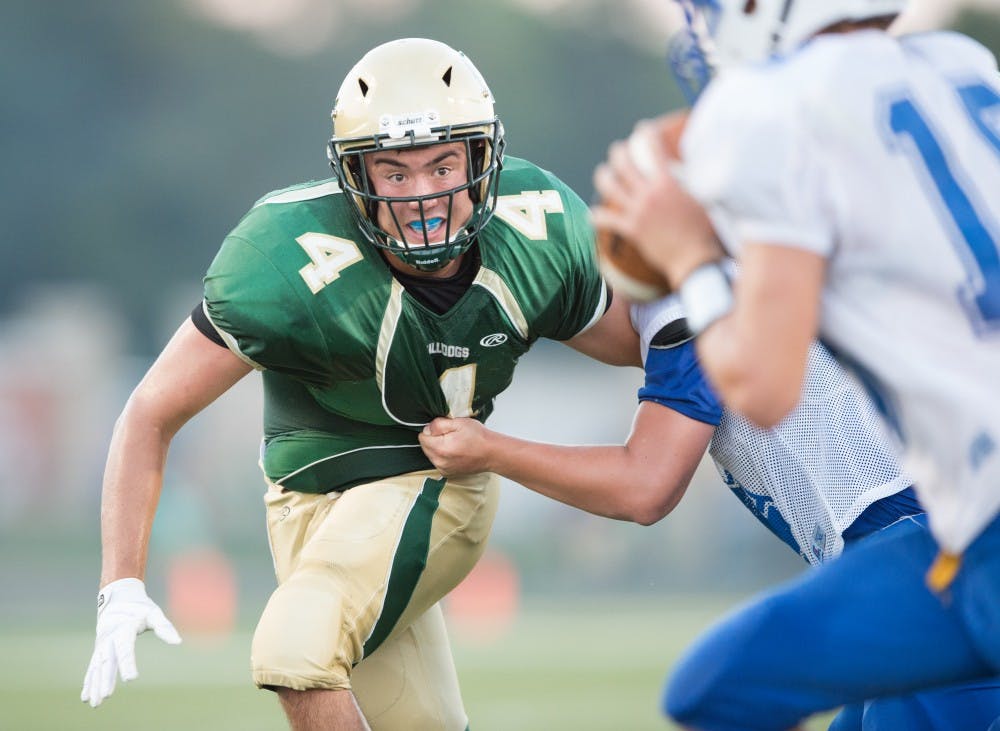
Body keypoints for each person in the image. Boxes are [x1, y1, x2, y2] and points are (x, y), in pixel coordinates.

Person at [80, 37, 637, 730]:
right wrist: (121, 582)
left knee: (293, 651)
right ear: (354, 174)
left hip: (435, 478)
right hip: (302, 509)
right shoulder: (281, 260)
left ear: (480, 161)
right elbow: (150, 412)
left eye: (442, 165)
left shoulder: (537, 229)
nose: (423, 194)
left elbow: (647, 344)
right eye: (394, 172)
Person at [590, 1, 1000, 729]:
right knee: (720, 686)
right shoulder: (962, 64)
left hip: (976, 533)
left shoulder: (767, 108)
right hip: (957, 535)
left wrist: (690, 258)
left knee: (720, 690)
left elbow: (761, 387)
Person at [420, 290, 1000, 729]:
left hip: (932, 560)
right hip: (920, 554)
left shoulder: (690, 296)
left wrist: (491, 450)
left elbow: (645, 487)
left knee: (713, 688)